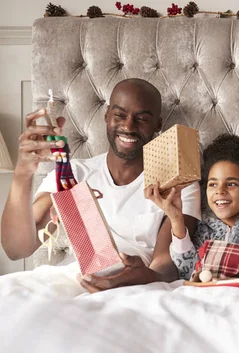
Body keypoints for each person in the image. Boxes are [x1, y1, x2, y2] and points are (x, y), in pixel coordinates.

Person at [1, 78, 202, 291]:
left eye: (142, 118)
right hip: (70, 281)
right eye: (120, 115)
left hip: (133, 288)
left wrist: (145, 276)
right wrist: (23, 174)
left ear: (158, 124)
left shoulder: (177, 184)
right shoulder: (73, 174)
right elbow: (16, 250)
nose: (128, 126)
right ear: (107, 116)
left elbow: (166, 265)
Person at [145, 134, 239, 281]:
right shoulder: (204, 229)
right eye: (213, 184)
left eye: (231, 184)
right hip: (210, 297)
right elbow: (188, 270)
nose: (220, 191)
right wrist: (177, 219)